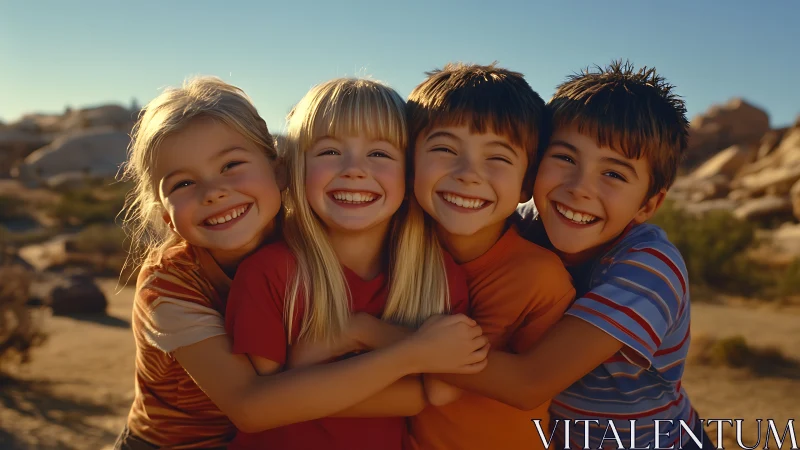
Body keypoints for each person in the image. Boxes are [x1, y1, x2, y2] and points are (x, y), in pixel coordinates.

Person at [114, 76, 488, 449]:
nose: (214, 193)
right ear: (165, 216)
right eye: (182, 184)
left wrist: (354, 342)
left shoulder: (307, 236)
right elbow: (253, 406)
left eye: (230, 166)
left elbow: (423, 393)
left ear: (278, 171)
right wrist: (409, 356)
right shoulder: (170, 284)